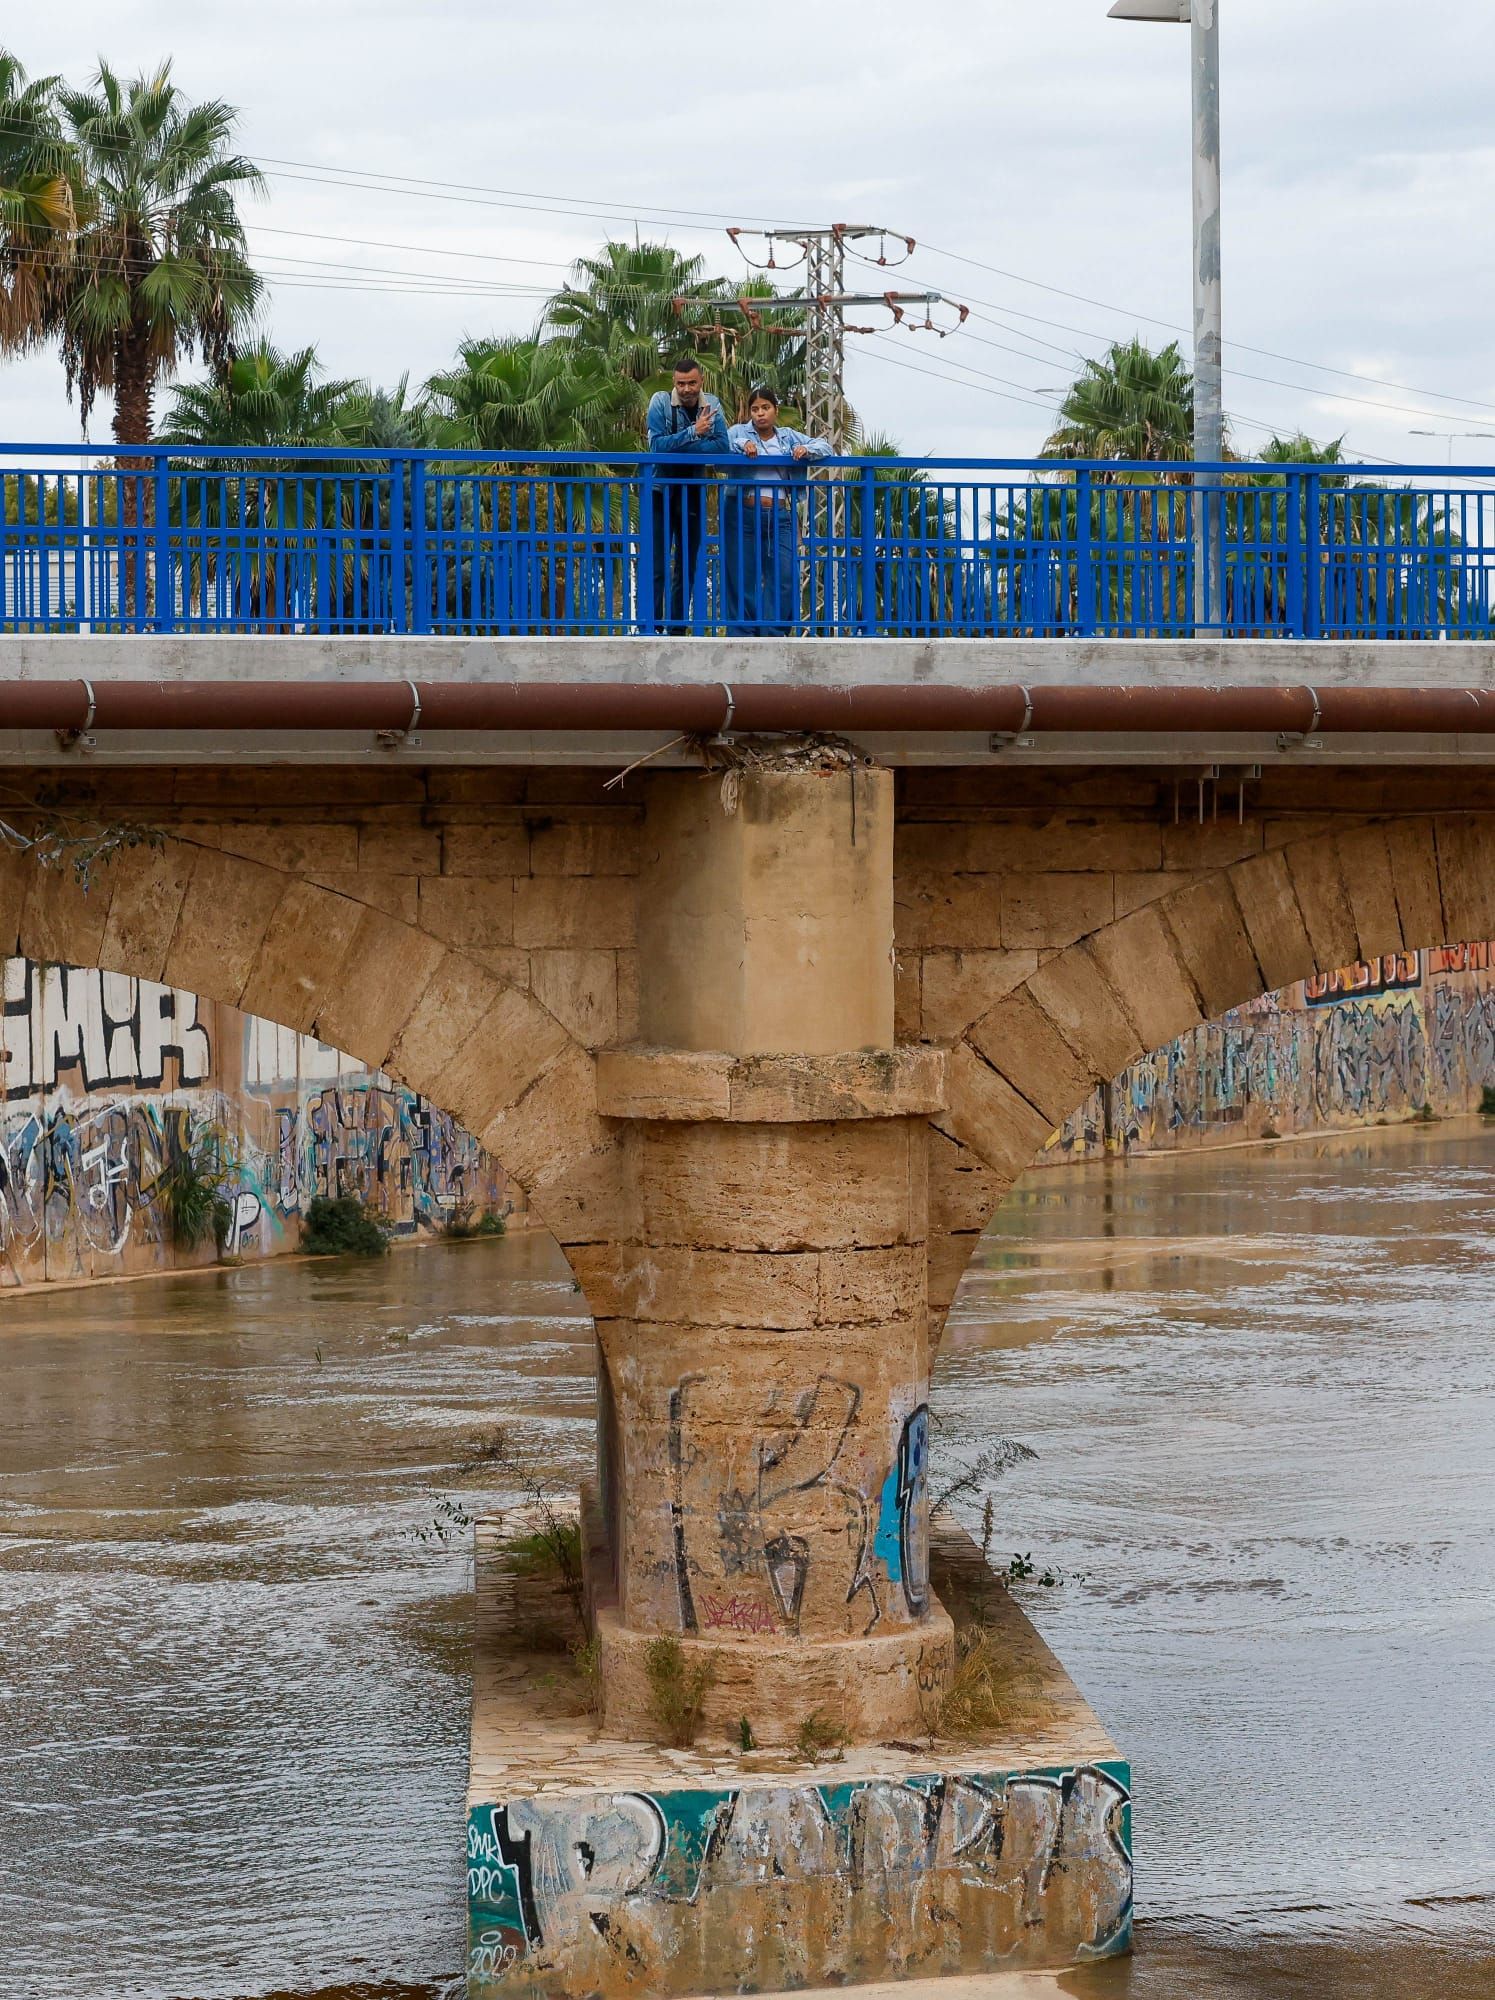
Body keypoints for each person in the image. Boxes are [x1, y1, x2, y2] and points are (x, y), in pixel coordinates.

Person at [723, 386, 831, 635]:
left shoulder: (788, 436)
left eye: (765, 408)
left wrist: (806, 450)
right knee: (742, 574)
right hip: (743, 511)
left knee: (784, 574)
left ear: (775, 410)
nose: (760, 414)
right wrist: (744, 444)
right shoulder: (739, 431)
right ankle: (743, 634)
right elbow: (722, 445)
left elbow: (825, 446)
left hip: (780, 514)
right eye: (755, 409)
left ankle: (774, 632)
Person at [644, 356, 729, 632]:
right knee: (657, 562)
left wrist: (677, 449)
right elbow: (656, 448)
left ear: (701, 380)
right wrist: (694, 432)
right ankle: (653, 625)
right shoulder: (660, 402)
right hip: (660, 490)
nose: (687, 389)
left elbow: (721, 449)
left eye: (692, 382)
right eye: (681, 383)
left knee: (687, 563)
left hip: (692, 491)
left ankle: (677, 628)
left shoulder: (711, 404)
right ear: (674, 383)